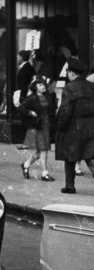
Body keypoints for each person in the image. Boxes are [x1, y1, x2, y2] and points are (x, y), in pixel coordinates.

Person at [55, 57, 94, 194]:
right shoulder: (91, 86)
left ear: (72, 73)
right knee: (90, 156)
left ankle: (70, 186)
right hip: (90, 126)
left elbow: (66, 111)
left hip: (73, 127)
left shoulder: (69, 88)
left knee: (69, 157)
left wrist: (60, 126)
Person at [19, 77, 55, 181]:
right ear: (35, 87)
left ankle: (26, 165)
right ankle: (45, 173)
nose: (43, 86)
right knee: (43, 150)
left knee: (41, 151)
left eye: (43, 84)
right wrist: (31, 113)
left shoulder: (47, 96)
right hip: (38, 126)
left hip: (46, 126)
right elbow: (21, 108)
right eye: (40, 85)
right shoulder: (31, 98)